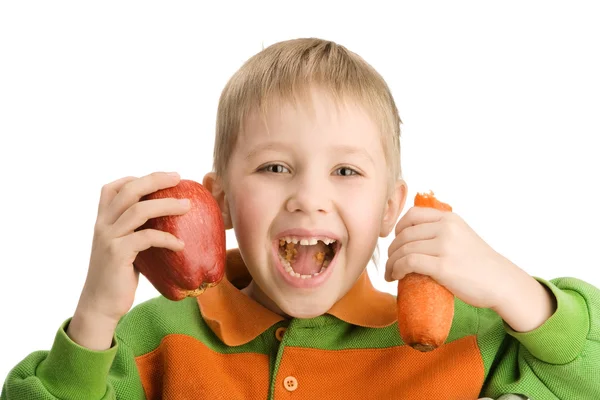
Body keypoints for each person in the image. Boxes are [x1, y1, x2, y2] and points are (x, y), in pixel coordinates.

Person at [2, 38, 599, 400]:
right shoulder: (155, 341)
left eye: (346, 172)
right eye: (275, 167)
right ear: (222, 202)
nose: (308, 197)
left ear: (392, 207)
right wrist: (95, 316)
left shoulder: (464, 339)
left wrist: (515, 290)